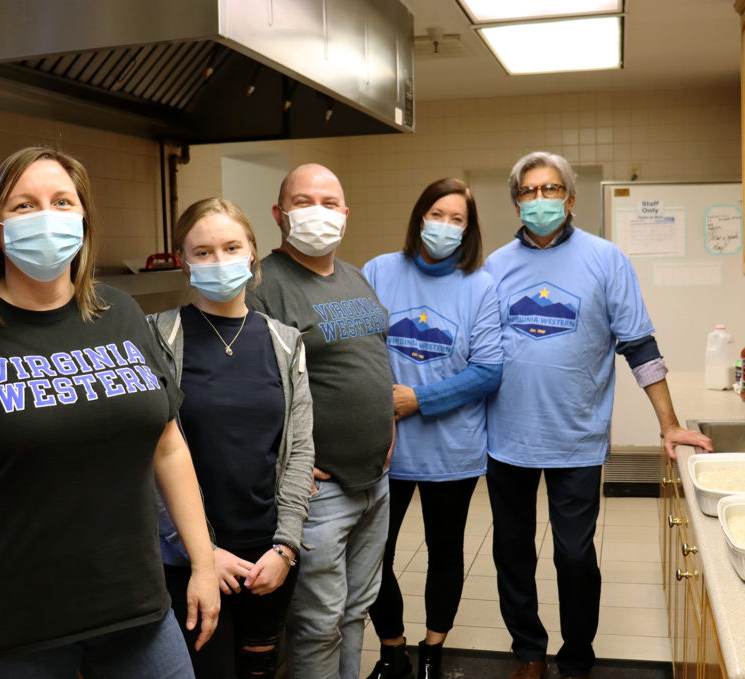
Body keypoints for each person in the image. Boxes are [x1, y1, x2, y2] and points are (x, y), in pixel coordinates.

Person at [0, 147, 219, 679]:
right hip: (13, 633)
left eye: (61, 201)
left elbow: (168, 446)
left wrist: (204, 561)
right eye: (24, 205)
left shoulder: (119, 313)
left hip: (137, 612)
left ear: (83, 218)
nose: (47, 216)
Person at [482, 151, 713, 679]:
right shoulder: (494, 267)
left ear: (570, 198)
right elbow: (477, 352)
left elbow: (640, 345)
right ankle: (528, 651)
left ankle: (577, 653)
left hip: (577, 437)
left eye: (551, 189)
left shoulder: (606, 260)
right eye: (530, 191)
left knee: (574, 556)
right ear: (516, 201)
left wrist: (669, 424)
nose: (541, 200)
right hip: (506, 438)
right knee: (512, 552)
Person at [147, 198, 315, 679]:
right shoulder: (158, 337)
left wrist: (285, 547)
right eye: (202, 252)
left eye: (231, 247)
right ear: (183, 261)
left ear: (253, 254)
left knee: (261, 668)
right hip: (189, 561)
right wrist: (199, 552)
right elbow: (148, 456)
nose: (219, 261)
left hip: (269, 558)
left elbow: (300, 448)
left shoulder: (285, 341)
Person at [246, 163, 394, 679]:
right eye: (303, 201)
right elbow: (245, 389)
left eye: (329, 203)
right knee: (318, 622)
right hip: (320, 492)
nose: (318, 212)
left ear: (346, 213)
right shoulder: (263, 285)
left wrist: (387, 428)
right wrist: (286, 463)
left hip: (375, 481)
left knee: (354, 612)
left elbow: (375, 356)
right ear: (279, 214)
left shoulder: (355, 276)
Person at [361, 178, 503, 679]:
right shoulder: (378, 271)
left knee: (445, 550)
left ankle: (433, 653)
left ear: (469, 229)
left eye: (456, 219)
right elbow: (356, 350)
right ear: (419, 216)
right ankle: (392, 648)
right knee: (373, 553)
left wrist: (417, 399)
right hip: (383, 448)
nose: (444, 226)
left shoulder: (481, 286)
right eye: (437, 214)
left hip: (452, 448)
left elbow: (488, 370)